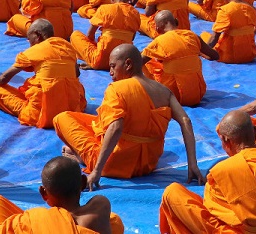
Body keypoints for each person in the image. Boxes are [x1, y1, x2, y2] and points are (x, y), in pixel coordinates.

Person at [53, 44, 203, 189]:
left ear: (128, 64)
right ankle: (82, 156)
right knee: (94, 121)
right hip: (148, 164)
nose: (110, 72)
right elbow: (186, 121)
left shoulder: (117, 89)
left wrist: (97, 171)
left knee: (62, 118)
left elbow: (116, 127)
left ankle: (85, 159)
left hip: (115, 164)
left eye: (112, 66)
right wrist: (193, 164)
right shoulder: (164, 90)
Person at [0, 155, 124, 234]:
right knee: (114, 221)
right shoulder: (98, 212)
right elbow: (100, 202)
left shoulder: (29, 221)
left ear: (43, 193)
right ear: (83, 183)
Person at [0, 19, 86, 129]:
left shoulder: (35, 50)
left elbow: (4, 77)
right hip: (71, 110)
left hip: (43, 114)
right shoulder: (67, 47)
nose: (29, 42)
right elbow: (76, 73)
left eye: (29, 38)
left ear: (37, 35)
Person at [141, 10, 219, 107]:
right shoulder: (192, 36)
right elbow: (215, 56)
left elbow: (138, 63)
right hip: (197, 94)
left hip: (171, 97)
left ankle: (152, 89)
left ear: (157, 28)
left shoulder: (158, 41)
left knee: (147, 61)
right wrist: (198, 53)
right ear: (176, 21)